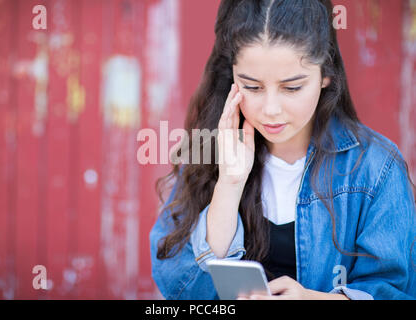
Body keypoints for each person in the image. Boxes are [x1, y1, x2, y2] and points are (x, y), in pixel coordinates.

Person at [149, 0, 416, 300]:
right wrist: (229, 184)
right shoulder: (212, 152)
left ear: (325, 74)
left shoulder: (376, 169)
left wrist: (309, 299)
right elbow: (180, 285)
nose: (271, 110)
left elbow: (395, 292)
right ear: (233, 75)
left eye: (291, 88)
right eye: (252, 87)